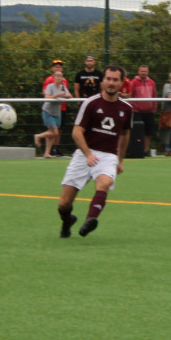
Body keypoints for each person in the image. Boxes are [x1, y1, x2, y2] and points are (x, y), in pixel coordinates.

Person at [56, 65, 132, 238]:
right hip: (84, 153)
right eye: (108, 79)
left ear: (121, 83)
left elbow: (125, 134)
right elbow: (77, 132)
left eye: (115, 80)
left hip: (108, 156)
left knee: (104, 183)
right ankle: (67, 220)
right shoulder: (91, 103)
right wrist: (88, 154)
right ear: (102, 81)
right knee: (64, 204)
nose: (111, 83)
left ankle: (90, 220)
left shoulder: (126, 109)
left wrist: (120, 160)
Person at [37, 71, 72, 158]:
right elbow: (47, 97)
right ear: (54, 77)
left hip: (57, 113)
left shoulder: (63, 87)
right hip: (48, 112)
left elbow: (70, 96)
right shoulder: (50, 86)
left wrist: (66, 96)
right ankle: (38, 136)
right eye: (57, 76)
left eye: (60, 76)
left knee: (52, 133)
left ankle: (46, 153)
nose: (58, 77)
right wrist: (58, 95)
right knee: (55, 132)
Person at [128, 64, 158, 156]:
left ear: (148, 72)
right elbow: (130, 95)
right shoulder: (133, 82)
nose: (143, 73)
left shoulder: (152, 82)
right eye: (142, 71)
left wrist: (154, 107)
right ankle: (137, 150)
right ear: (138, 72)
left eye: (145, 71)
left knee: (148, 132)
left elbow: (154, 95)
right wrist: (133, 107)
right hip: (137, 111)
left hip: (149, 111)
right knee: (137, 131)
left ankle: (146, 150)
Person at [43, 60, 68, 156]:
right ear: (53, 69)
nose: (58, 68)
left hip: (61, 108)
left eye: (60, 67)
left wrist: (65, 96)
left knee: (58, 130)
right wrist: (57, 96)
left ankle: (54, 149)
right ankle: (46, 147)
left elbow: (67, 94)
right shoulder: (49, 80)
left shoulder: (64, 81)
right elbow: (46, 94)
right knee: (52, 130)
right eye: (56, 67)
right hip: (50, 109)